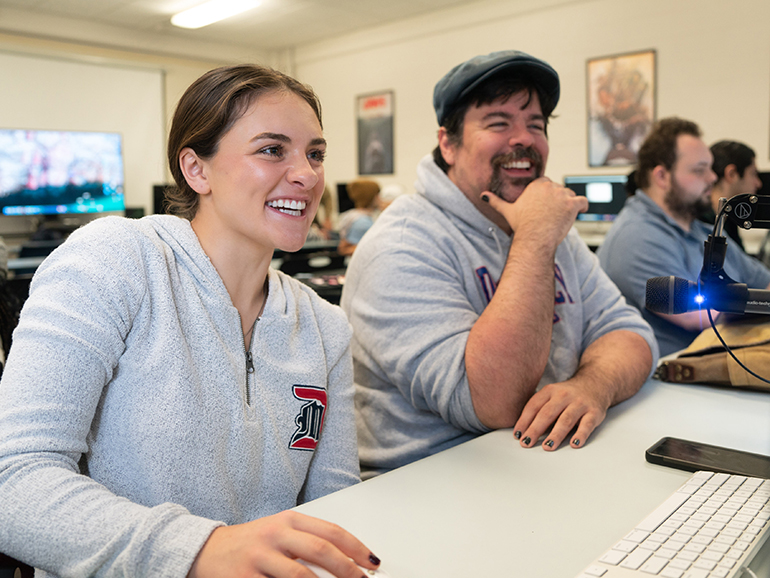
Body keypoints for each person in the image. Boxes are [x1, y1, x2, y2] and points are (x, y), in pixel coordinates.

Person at [0, 64, 382, 578]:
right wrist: (199, 550)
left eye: (315, 153)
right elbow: (13, 479)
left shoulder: (323, 326)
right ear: (196, 170)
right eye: (273, 150)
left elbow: (334, 509)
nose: (308, 175)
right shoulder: (115, 261)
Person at [341, 50, 658, 477]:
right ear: (448, 144)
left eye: (536, 124)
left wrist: (591, 385)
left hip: (541, 467)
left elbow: (629, 333)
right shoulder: (401, 244)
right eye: (498, 122)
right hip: (428, 487)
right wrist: (535, 238)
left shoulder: (547, 229)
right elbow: (490, 402)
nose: (523, 139)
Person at [598, 118, 770, 356]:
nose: (712, 178)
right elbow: (700, 316)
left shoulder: (700, 230)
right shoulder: (636, 237)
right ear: (662, 177)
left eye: (710, 168)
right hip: (671, 379)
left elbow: (763, 281)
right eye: (700, 170)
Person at [697, 140, 764, 251]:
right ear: (731, 174)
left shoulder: (729, 220)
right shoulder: (700, 223)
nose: (758, 183)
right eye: (753, 174)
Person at [337, 179, 380, 256]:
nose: (380, 199)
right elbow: (344, 248)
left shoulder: (352, 215)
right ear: (370, 197)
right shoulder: (362, 221)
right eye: (377, 195)